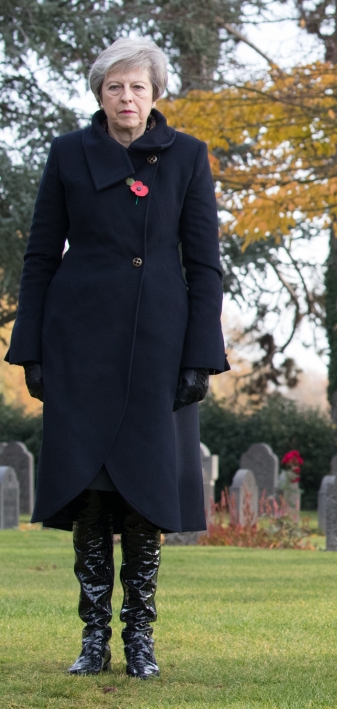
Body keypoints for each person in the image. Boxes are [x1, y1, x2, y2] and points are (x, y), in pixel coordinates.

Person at [5, 38, 228, 677]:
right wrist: (32, 347)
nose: (126, 98)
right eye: (114, 88)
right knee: (92, 496)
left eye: (137, 87)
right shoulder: (68, 154)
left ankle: (141, 641)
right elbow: (41, 256)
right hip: (79, 344)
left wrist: (200, 356)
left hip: (160, 342)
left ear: (155, 93)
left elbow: (205, 263)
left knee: (144, 496)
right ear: (99, 95)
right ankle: (94, 638)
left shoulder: (187, 156)